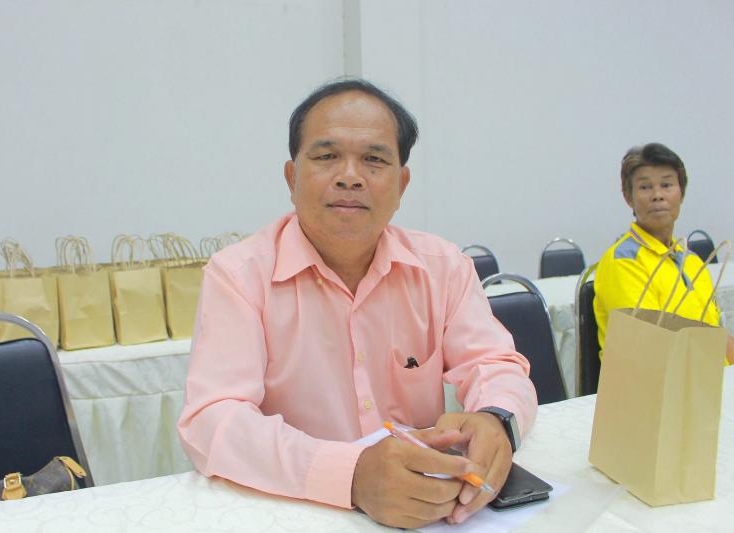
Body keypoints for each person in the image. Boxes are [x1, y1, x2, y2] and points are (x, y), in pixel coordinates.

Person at [177, 78, 538, 529]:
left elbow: (494, 363)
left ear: (402, 184)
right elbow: (214, 419)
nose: (349, 176)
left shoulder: (442, 266)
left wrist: (496, 418)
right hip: (299, 509)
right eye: (326, 156)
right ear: (291, 178)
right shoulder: (239, 275)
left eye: (374, 159)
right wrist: (349, 474)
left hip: (425, 508)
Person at [593, 142, 734, 364]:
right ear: (629, 197)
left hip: (707, 376)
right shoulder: (623, 261)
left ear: (681, 193)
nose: (657, 195)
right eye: (645, 187)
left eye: (667, 185)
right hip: (655, 380)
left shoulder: (692, 261)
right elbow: (648, 347)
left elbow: (716, 335)